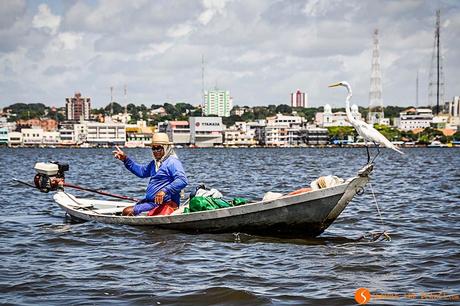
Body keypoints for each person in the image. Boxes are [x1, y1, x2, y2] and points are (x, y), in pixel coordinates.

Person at [113, 133, 188, 216]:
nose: (155, 151)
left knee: (127, 211)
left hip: (165, 203)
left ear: (166, 148)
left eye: (158, 148)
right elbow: (142, 172)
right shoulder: (155, 163)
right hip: (152, 202)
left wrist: (164, 191)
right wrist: (125, 160)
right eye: (153, 148)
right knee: (129, 210)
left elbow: (182, 180)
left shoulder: (172, 162)